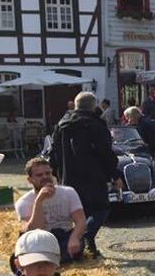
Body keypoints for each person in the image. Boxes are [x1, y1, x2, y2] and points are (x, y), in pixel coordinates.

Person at [49, 92, 117, 257]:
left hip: (69, 177)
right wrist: (114, 174)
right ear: (94, 106)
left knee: (82, 213)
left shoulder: (62, 124)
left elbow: (53, 152)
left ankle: (88, 248)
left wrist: (56, 172)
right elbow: (105, 151)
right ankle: (83, 237)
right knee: (101, 209)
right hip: (93, 176)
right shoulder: (95, 124)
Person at [15, 157, 86, 263]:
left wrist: (74, 237)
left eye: (47, 173)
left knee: (78, 242)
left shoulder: (68, 192)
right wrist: (38, 201)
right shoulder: (23, 202)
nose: (45, 177)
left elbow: (81, 220)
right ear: (30, 180)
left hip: (65, 236)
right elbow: (34, 231)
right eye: (39, 175)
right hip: (41, 239)